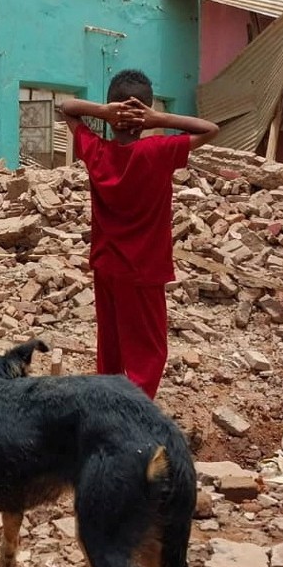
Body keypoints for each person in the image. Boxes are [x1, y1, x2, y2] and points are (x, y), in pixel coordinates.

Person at [59, 69, 220, 399]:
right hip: (144, 271)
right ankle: (134, 415)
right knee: (148, 353)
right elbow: (210, 129)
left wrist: (103, 112)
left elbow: (66, 107)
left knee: (111, 348)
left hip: (106, 268)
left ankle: (107, 407)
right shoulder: (158, 152)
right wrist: (158, 117)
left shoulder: (97, 152)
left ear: (112, 113)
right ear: (145, 112)